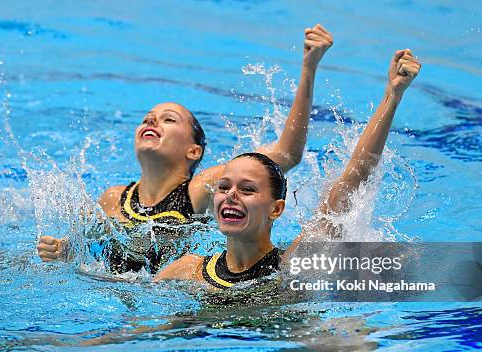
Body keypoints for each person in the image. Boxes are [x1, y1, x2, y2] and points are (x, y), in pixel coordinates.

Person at [37, 24, 334, 273]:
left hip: (172, 293)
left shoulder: (201, 189)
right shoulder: (114, 198)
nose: (153, 121)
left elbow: (287, 154)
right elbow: (89, 249)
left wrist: (309, 68)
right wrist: (66, 250)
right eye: (147, 118)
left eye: (169, 119)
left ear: (193, 151)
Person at [155, 49, 421, 288]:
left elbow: (355, 177)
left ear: (277, 208)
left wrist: (393, 95)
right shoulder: (189, 271)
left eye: (247, 189)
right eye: (224, 187)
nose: (231, 195)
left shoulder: (292, 267)